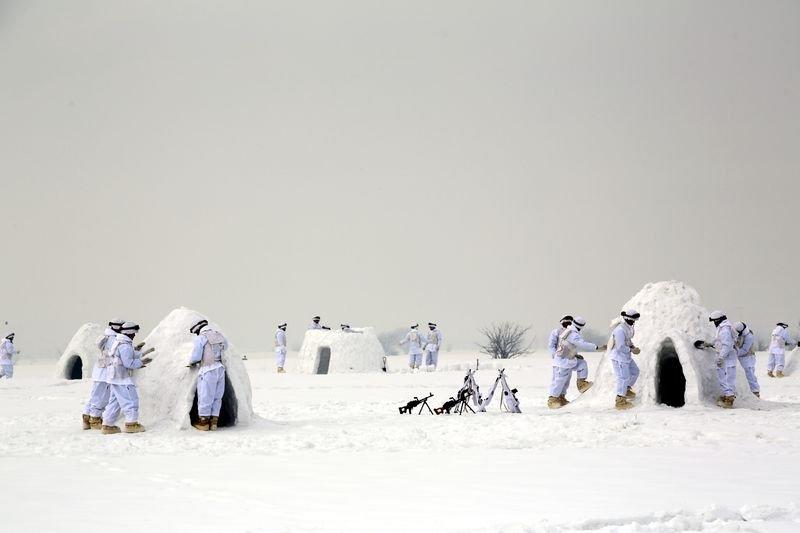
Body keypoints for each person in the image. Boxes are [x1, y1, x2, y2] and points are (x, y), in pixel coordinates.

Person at [101, 322, 153, 434]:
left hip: (114, 378)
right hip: (122, 378)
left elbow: (128, 355)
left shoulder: (119, 342)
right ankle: (131, 424)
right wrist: (141, 362)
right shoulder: (124, 345)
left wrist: (140, 352)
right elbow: (128, 363)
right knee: (131, 400)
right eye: (134, 333)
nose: (134, 335)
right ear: (129, 333)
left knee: (115, 402)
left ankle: (107, 425)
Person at [547, 316, 603, 409]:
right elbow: (581, 344)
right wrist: (596, 347)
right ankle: (553, 399)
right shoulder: (571, 333)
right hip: (562, 361)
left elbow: (569, 346)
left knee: (581, 364)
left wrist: (575, 355)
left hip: (569, 359)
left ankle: (579, 386)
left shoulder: (570, 332)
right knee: (559, 381)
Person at [81, 319, 124, 430]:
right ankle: (95, 419)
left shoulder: (105, 336)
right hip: (106, 372)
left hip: (99, 370)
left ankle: (86, 417)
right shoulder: (114, 339)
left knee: (94, 395)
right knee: (101, 397)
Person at [188, 319, 229, 431]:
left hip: (208, 370)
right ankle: (214, 422)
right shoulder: (218, 334)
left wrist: (191, 362)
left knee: (205, 395)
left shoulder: (201, 337)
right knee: (217, 396)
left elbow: (196, 355)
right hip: (220, 368)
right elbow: (226, 346)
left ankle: (204, 422)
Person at [608, 310, 641, 410]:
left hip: (626, 357)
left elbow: (628, 340)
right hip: (619, 358)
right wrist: (632, 350)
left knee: (635, 371)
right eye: (632, 320)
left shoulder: (627, 328)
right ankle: (620, 401)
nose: (634, 322)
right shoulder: (619, 330)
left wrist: (632, 346)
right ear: (627, 319)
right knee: (623, 378)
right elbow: (620, 346)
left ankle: (626, 389)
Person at [709, 310, 736, 408]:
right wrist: (709, 344)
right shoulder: (723, 328)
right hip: (724, 357)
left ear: (718, 320)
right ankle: (727, 395)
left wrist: (721, 357)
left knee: (727, 379)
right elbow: (719, 341)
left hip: (726, 358)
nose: (714, 323)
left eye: (714, 321)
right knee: (723, 377)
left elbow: (727, 345)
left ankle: (729, 400)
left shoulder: (725, 329)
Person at [733, 321, 759, 397]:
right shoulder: (736, 332)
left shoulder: (749, 336)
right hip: (739, 358)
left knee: (749, 375)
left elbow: (745, 350)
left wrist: (734, 352)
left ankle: (755, 392)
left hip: (748, 358)